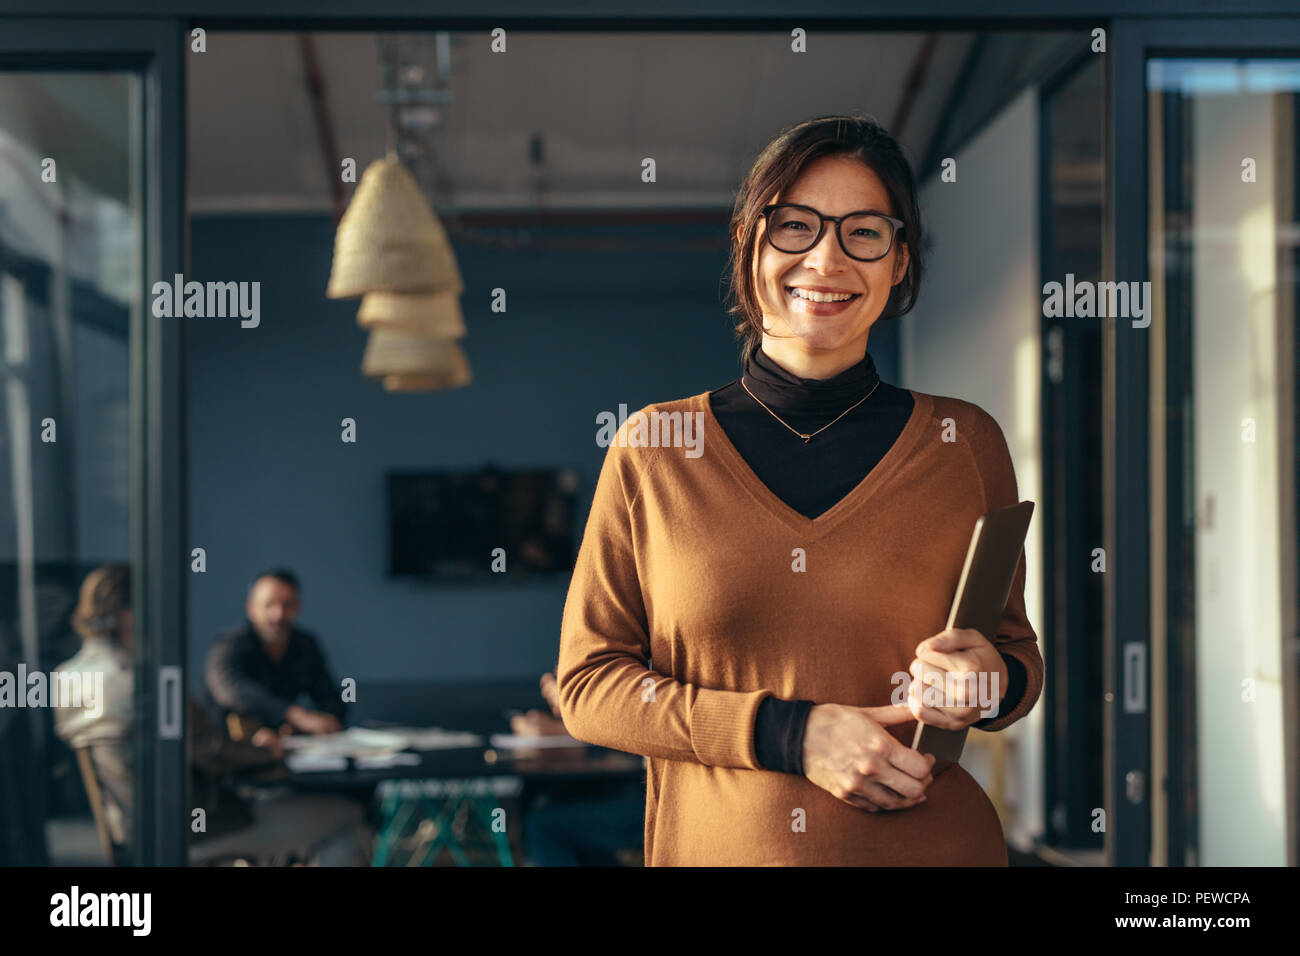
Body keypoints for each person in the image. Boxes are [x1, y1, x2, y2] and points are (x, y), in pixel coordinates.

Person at [556, 114, 1043, 866]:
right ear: (751, 246)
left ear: (899, 259)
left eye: (864, 232)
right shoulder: (654, 447)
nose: (827, 257)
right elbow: (590, 687)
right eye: (796, 227)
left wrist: (990, 682)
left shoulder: (965, 442)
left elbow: (1015, 659)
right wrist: (794, 733)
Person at [52, 564, 285, 864]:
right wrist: (267, 753)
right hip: (185, 833)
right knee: (341, 813)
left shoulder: (64, 678)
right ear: (128, 613)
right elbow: (211, 751)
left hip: (126, 834)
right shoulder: (147, 681)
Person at [511, 673, 644, 866]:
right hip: (622, 791)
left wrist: (567, 725)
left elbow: (632, 749)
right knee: (540, 807)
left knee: (543, 826)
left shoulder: (631, 685)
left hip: (649, 801)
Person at [200, 569, 346, 739]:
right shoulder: (228, 645)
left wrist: (321, 722)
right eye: (269, 605)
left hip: (281, 748)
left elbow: (331, 699)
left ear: (298, 607)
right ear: (251, 608)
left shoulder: (305, 645)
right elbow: (232, 690)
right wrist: (294, 715)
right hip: (223, 752)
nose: (278, 614)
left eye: (287, 605)